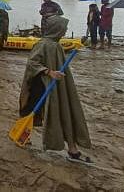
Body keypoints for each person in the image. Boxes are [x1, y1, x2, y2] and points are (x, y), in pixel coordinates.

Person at [19, 15, 91, 162]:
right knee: (30, 112)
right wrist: (49, 72)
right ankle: (22, 135)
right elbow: (32, 63)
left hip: (56, 86)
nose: (65, 31)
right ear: (56, 29)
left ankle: (72, 148)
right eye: (63, 28)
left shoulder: (56, 45)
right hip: (40, 85)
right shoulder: (43, 44)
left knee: (64, 112)